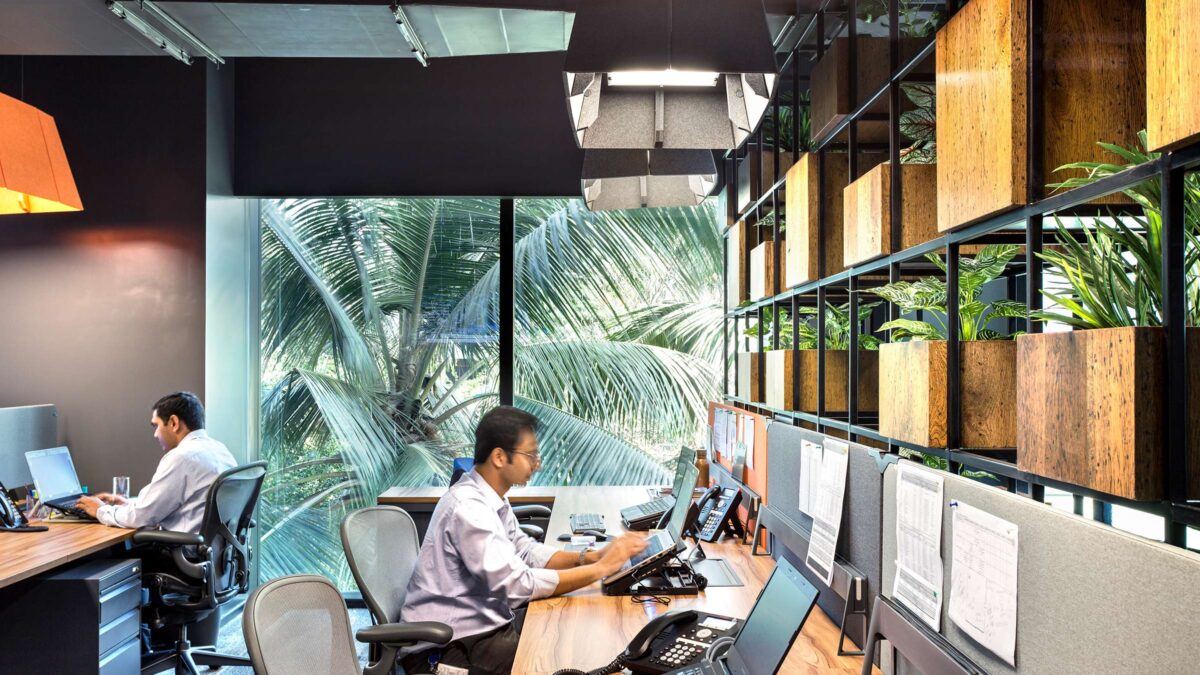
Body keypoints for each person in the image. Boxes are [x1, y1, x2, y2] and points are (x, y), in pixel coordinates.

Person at [399, 406, 649, 675]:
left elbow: (525, 551)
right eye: (530, 455)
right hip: (446, 650)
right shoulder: (468, 509)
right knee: (563, 657)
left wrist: (593, 557)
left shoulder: (492, 497)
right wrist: (599, 571)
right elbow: (516, 585)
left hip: (483, 629)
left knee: (568, 630)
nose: (537, 463)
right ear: (498, 457)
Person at [74, 391, 237, 530]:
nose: (155, 434)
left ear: (173, 423)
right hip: (216, 556)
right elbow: (184, 504)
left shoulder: (182, 457)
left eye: (156, 426)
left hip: (180, 555)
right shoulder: (220, 450)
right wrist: (127, 504)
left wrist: (101, 510)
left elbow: (140, 518)